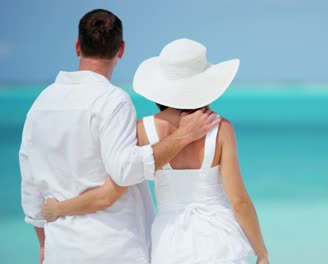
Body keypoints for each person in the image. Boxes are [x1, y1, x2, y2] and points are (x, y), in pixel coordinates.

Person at [42, 38, 269, 264]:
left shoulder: (143, 130)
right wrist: (262, 254)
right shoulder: (221, 129)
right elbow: (239, 202)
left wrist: (61, 207)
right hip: (219, 240)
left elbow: (109, 193)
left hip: (170, 242)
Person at [19, 10, 220, 264]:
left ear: (77, 46)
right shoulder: (113, 101)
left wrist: (44, 244)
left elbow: (30, 187)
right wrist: (183, 135)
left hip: (62, 250)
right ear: (121, 49)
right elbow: (125, 169)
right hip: (115, 248)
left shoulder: (41, 104)